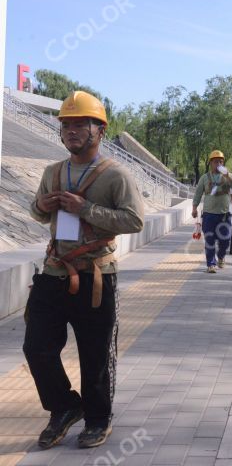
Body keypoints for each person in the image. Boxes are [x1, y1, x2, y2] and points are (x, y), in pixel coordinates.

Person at [25, 91, 144, 449]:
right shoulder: (53, 172)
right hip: (54, 271)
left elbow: (135, 219)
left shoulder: (116, 176)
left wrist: (86, 208)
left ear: (100, 131)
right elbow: (39, 213)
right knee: (36, 348)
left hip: (96, 276)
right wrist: (41, 206)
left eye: (81, 124)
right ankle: (63, 407)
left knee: (94, 354)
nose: (72, 131)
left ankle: (97, 418)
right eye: (66, 124)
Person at [192, 150, 232, 273]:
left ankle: (221, 256)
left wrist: (228, 176)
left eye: (220, 162)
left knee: (225, 240)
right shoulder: (204, 178)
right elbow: (198, 193)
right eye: (215, 162)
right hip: (209, 215)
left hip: (224, 215)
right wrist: (194, 208)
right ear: (210, 163)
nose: (218, 164)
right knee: (210, 240)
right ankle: (210, 264)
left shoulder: (228, 176)